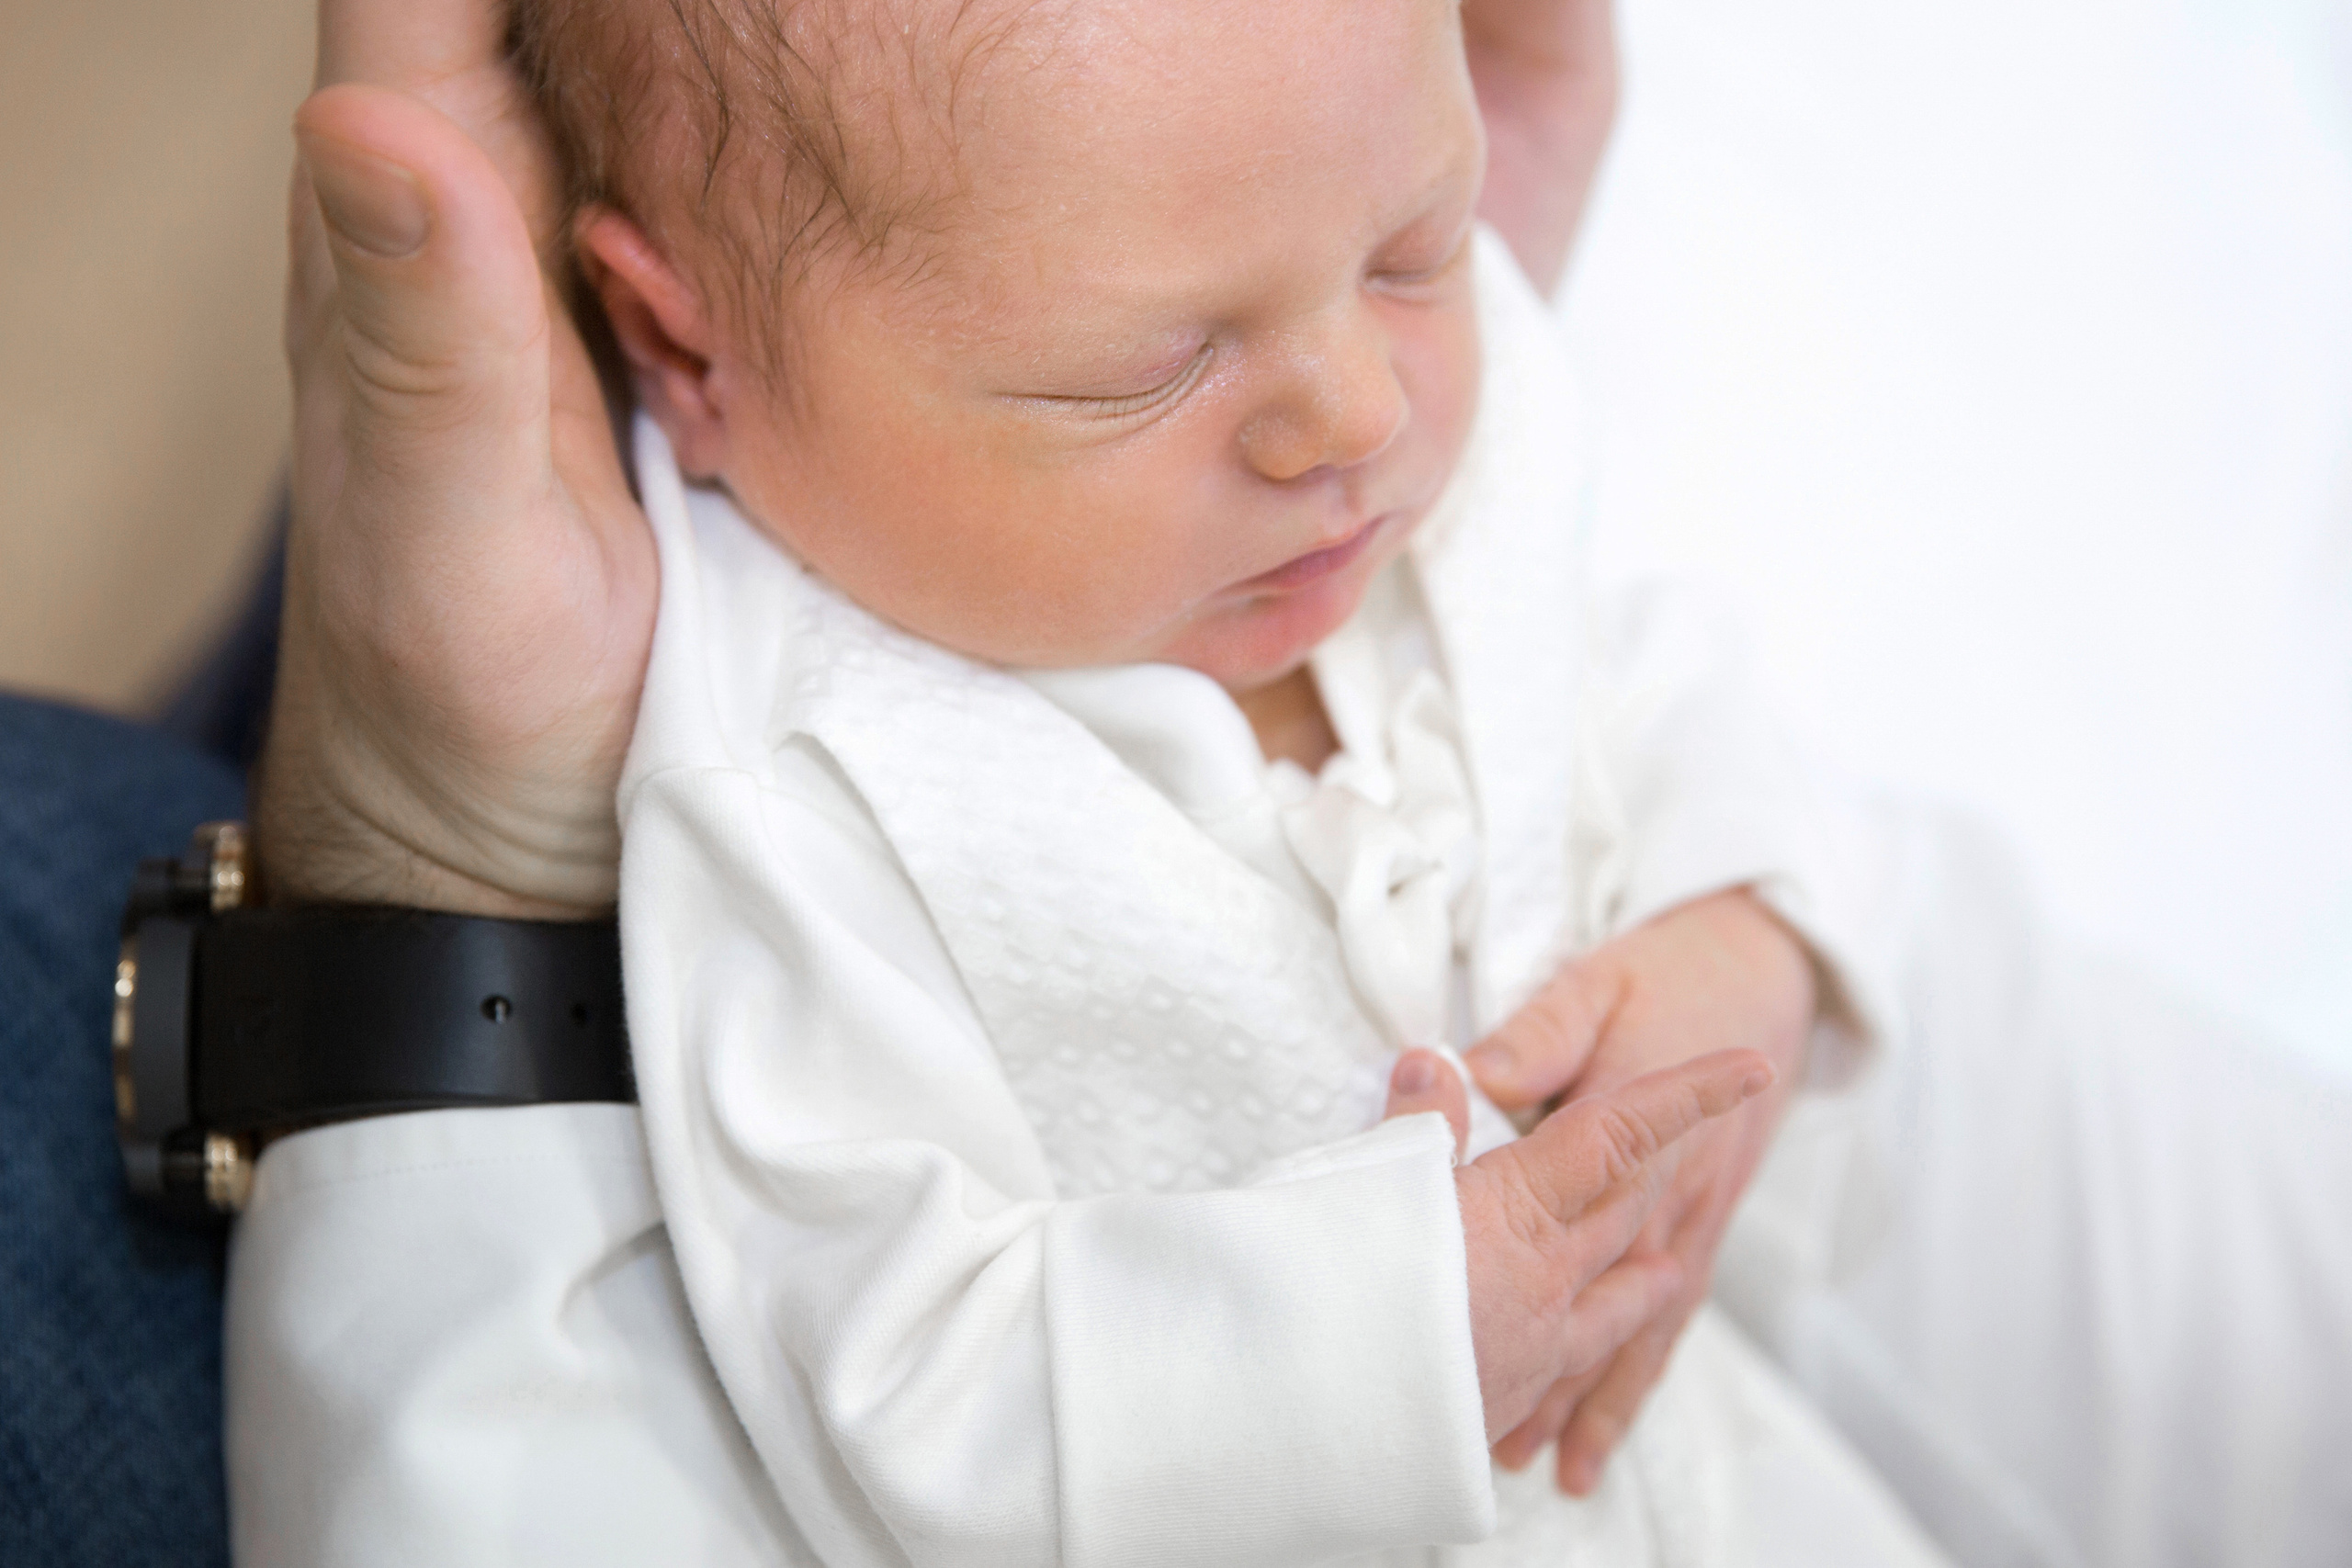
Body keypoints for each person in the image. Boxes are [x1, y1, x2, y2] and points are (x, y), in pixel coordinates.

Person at [239, 0, 2352, 1563]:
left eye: (1417, 241)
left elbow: (1638, 672)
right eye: (1151, 363)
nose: (1352, 410)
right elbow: (899, 1381)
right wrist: (1395, 1334)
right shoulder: (802, 800)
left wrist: (1748, 928)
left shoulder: (1407, 408)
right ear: (690, 352)